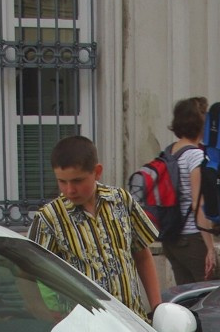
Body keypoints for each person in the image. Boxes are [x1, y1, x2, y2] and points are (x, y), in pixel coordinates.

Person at [27, 135, 161, 319]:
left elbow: (142, 255)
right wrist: (51, 318)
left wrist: (157, 308)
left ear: (97, 172)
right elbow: (29, 275)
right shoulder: (49, 218)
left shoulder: (121, 201)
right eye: (62, 182)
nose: (69, 190)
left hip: (134, 325)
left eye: (77, 181)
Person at [162, 96, 218, 284]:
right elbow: (198, 204)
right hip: (193, 237)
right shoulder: (195, 155)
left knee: (186, 295)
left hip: (172, 239)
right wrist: (210, 247)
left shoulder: (169, 152)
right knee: (214, 293)